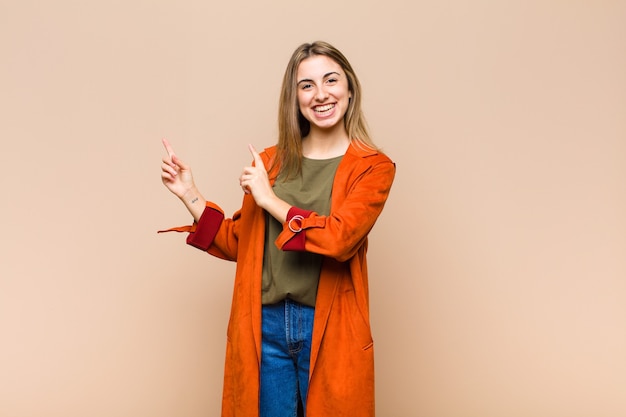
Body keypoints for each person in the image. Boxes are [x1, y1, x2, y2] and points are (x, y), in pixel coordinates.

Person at [160, 41, 395, 417]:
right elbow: (243, 243)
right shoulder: (270, 162)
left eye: (331, 80)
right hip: (264, 326)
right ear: (295, 97)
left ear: (349, 88)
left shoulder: (372, 167)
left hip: (329, 326)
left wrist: (269, 199)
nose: (321, 94)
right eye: (307, 85)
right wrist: (190, 194)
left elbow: (339, 238)